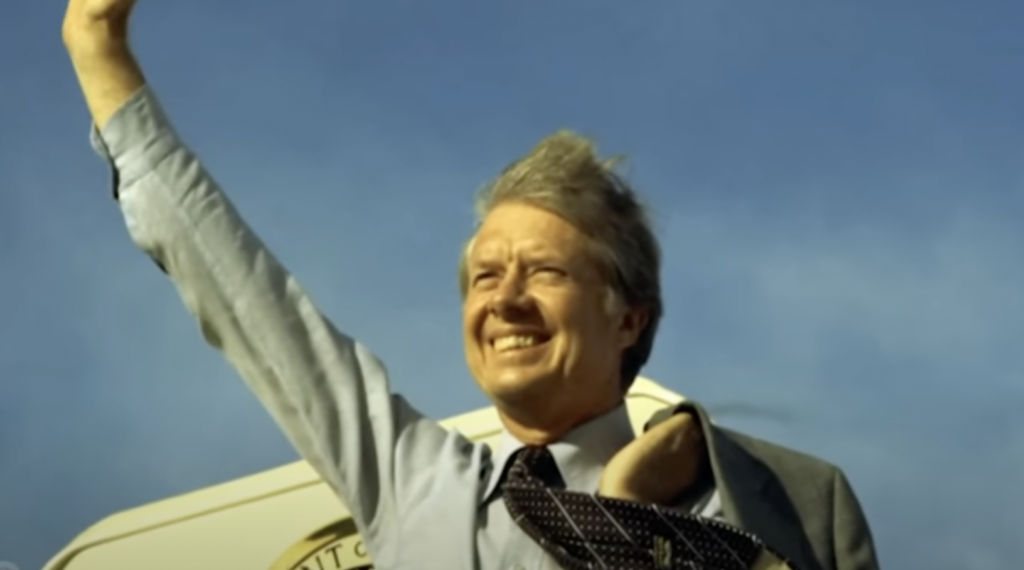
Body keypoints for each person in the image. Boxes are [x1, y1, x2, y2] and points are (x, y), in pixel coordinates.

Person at [61, 1, 881, 569]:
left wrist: (627, 525)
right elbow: (245, 294)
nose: (504, 299)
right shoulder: (416, 481)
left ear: (628, 318)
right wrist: (98, 45)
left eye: (545, 271)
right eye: (485, 276)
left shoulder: (780, 500)